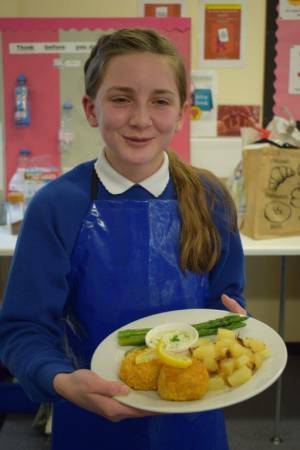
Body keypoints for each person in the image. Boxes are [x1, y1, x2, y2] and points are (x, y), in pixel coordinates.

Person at [0, 28, 246, 450]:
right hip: (90, 415)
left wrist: (235, 329)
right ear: (91, 109)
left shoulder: (211, 200)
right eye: (120, 98)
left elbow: (226, 304)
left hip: (193, 418)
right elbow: (23, 329)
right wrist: (60, 380)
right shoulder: (56, 206)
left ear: (182, 112)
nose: (140, 118)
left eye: (160, 101)